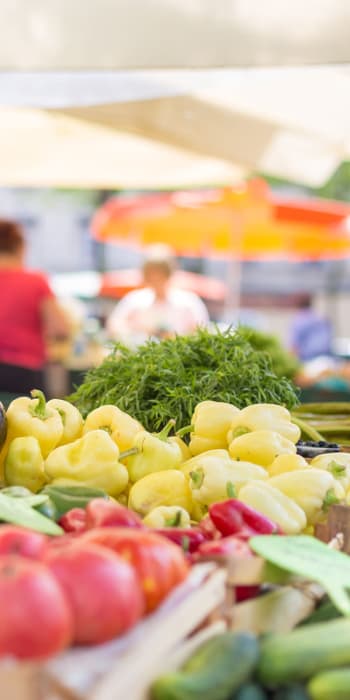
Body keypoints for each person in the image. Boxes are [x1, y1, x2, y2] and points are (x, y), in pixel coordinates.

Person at [0, 219, 70, 394]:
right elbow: (60, 329)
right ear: (20, 247)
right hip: (23, 372)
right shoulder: (35, 281)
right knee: (28, 419)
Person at [107, 245, 209, 344]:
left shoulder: (189, 302)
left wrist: (176, 337)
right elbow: (114, 325)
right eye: (151, 275)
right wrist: (139, 330)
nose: (156, 279)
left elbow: (201, 332)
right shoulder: (134, 300)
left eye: (160, 275)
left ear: (168, 274)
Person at [289, 294, 333, 362]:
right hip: (326, 359)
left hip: (307, 361)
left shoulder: (298, 320)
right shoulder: (321, 317)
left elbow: (294, 346)